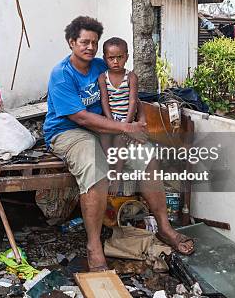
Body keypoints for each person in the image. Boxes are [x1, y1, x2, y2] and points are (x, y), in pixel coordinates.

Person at [43, 16, 194, 272]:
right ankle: (93, 245)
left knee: (148, 156)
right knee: (94, 167)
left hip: (108, 129)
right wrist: (125, 127)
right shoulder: (61, 74)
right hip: (69, 132)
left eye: (94, 42)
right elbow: (79, 117)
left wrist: (138, 122)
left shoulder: (102, 66)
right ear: (71, 42)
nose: (89, 47)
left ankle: (165, 228)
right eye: (84, 42)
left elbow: (128, 94)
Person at [97, 37, 142, 196]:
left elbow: (133, 100)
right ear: (105, 59)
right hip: (111, 119)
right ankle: (109, 168)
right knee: (103, 136)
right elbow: (104, 100)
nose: (115, 61)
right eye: (111, 58)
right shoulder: (103, 77)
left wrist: (127, 124)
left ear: (126, 57)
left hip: (126, 119)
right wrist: (110, 122)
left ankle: (117, 175)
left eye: (120, 57)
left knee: (120, 141)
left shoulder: (131, 77)